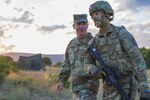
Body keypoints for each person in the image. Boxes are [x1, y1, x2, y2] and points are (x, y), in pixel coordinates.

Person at [84, 1, 149, 100]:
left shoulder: (122, 34)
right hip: (108, 88)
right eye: (92, 15)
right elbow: (86, 64)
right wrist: (92, 69)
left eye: (96, 13)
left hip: (127, 86)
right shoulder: (93, 43)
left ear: (107, 13)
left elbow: (138, 61)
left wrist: (144, 87)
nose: (94, 17)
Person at [55, 14, 99, 100]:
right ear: (74, 26)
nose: (81, 27)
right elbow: (67, 64)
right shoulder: (71, 44)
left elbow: (102, 64)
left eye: (83, 23)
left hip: (88, 89)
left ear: (87, 25)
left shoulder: (94, 43)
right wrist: (61, 81)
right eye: (78, 24)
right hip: (75, 90)